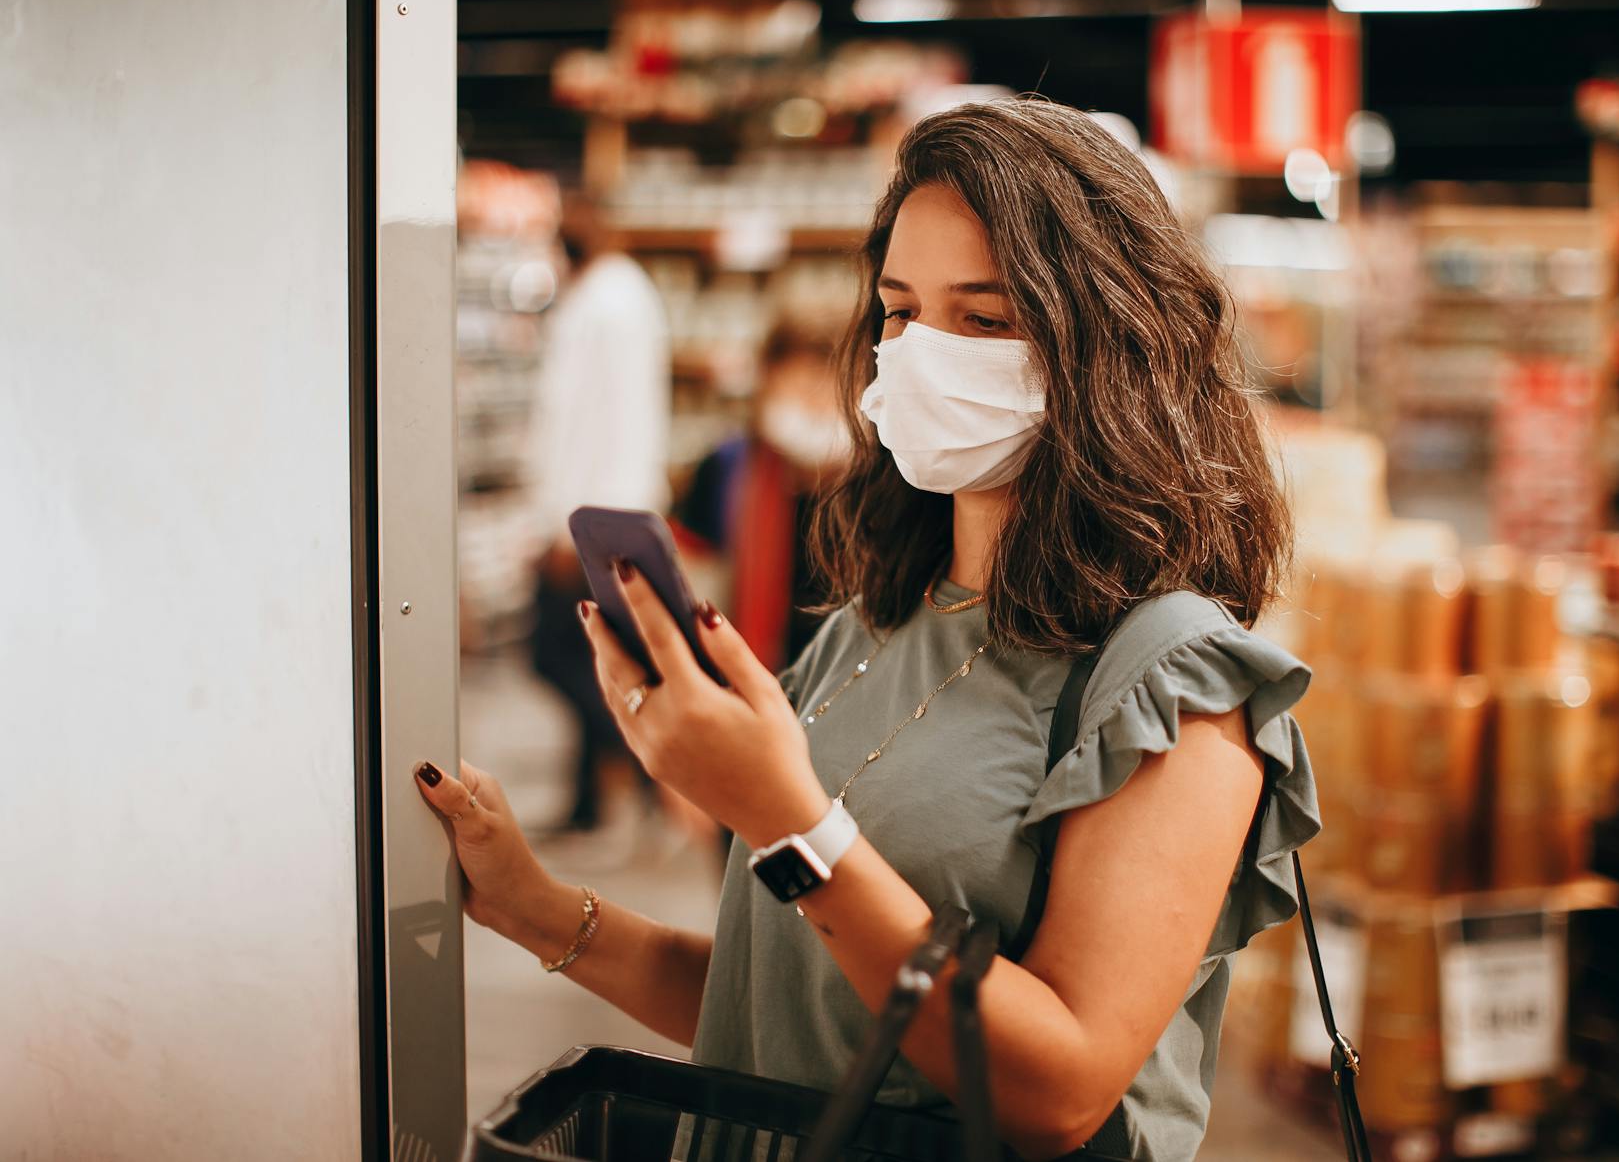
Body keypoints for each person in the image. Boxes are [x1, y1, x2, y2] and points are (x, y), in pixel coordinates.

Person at [417, 99, 1318, 1161]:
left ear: (1107, 346)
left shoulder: (1174, 679)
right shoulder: (869, 626)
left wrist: (788, 817)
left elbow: (1060, 1087)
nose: (922, 352)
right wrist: (535, 906)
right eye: (898, 311)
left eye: (984, 319)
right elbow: (800, 1010)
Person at [523, 198, 670, 831]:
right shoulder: (610, 297)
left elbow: (603, 425)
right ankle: (590, 800)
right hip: (597, 512)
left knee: (554, 653)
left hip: (595, 518)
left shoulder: (610, 303)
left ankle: (651, 768)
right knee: (588, 654)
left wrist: (572, 525)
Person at [673, 320, 847, 671]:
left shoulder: (881, 484)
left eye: (836, 380)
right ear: (769, 379)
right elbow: (689, 586)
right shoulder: (727, 467)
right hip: (746, 675)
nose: (820, 398)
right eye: (805, 380)